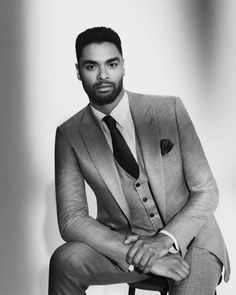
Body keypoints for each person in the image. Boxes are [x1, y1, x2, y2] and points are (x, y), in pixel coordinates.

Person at [49, 26, 230, 295]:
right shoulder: (70, 134)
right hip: (126, 244)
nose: (103, 75)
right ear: (78, 71)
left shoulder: (169, 110)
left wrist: (163, 241)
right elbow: (71, 218)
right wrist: (140, 252)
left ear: (123, 66)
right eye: (91, 66)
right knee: (65, 261)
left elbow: (206, 192)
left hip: (193, 240)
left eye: (111, 64)